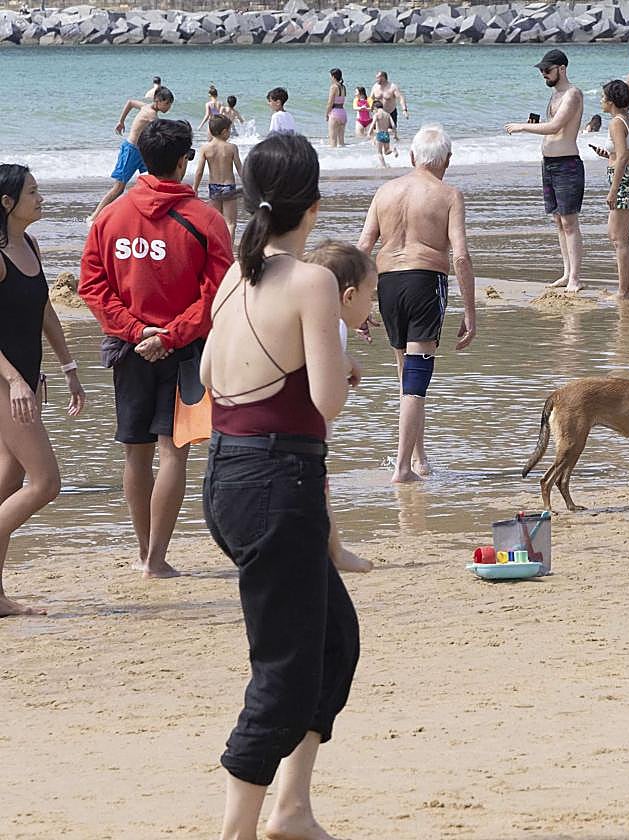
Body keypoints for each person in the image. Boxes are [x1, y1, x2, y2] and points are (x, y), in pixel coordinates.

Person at [200, 132, 364, 840]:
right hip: (277, 483)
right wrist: (340, 363)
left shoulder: (235, 275)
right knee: (285, 670)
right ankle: (237, 830)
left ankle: (291, 808)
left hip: (229, 477)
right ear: (315, 203)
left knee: (334, 641)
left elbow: (208, 376)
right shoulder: (312, 281)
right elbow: (326, 403)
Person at [78, 119, 233, 578]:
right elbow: (217, 294)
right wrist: (167, 335)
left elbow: (92, 286)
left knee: (136, 451)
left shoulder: (111, 216)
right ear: (184, 161)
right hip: (181, 350)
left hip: (129, 349)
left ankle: (145, 551)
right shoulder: (206, 219)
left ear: (143, 159)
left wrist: (134, 330)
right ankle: (155, 559)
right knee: (173, 452)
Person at [358, 124, 477, 483]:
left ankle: (418, 457)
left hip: (388, 285)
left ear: (412, 157)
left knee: (407, 378)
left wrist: (359, 303)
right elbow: (460, 256)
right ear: (448, 160)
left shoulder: (385, 191)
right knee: (415, 380)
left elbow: (363, 248)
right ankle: (402, 468)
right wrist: (470, 311)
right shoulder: (449, 195)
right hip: (425, 283)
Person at [0, 164, 86, 617]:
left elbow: (43, 309)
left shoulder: (30, 245)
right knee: (46, 482)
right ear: (7, 203)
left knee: (9, 482)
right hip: (4, 382)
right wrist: (16, 379)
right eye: (32, 192)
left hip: (25, 378)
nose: (41, 198)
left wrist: (67, 366)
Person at [301, 240, 378, 575]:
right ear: (348, 296)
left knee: (318, 491)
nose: (372, 303)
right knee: (318, 491)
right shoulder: (337, 324)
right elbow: (325, 366)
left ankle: (332, 550)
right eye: (371, 294)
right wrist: (347, 364)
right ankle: (335, 553)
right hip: (308, 429)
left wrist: (347, 361)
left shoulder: (308, 317)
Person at [504, 49, 585, 293]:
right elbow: (550, 126)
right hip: (548, 163)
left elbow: (556, 126)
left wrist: (522, 127)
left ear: (562, 68)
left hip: (567, 164)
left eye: (547, 70)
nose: (543, 74)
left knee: (569, 221)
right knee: (557, 220)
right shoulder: (555, 94)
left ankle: (575, 277)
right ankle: (566, 272)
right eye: (541, 71)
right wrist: (533, 125)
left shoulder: (573, 94)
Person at [589, 80, 629, 298]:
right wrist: (608, 155)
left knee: (617, 238)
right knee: (621, 236)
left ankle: (623, 291)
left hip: (626, 181)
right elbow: (627, 152)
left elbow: (623, 157)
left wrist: (613, 191)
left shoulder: (616, 123)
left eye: (603, 97)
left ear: (612, 101)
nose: (601, 101)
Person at [88, 87, 174, 223]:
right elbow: (162, 130)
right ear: (158, 101)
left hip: (143, 152)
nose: (169, 107)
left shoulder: (145, 107)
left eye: (170, 104)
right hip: (131, 151)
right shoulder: (151, 115)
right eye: (167, 103)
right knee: (118, 188)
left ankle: (150, 213)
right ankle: (94, 217)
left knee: (155, 180)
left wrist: (121, 121)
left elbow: (130, 102)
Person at [192, 115, 244, 243]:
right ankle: (228, 250)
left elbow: (199, 171)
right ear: (224, 131)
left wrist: (195, 188)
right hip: (229, 187)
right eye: (229, 130)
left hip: (214, 187)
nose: (230, 133)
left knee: (216, 221)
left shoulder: (205, 148)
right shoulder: (232, 147)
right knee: (230, 223)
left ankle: (215, 248)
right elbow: (239, 168)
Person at [369, 102, 398, 167]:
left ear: (375, 108)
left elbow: (373, 124)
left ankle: (384, 166)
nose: (374, 111)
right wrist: (395, 135)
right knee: (387, 151)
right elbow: (393, 125)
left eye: (373, 109)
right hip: (386, 134)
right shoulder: (388, 114)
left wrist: (369, 132)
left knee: (379, 153)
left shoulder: (376, 115)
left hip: (379, 134)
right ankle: (393, 149)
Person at [326, 68, 348, 149]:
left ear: (333, 76)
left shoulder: (334, 87)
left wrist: (327, 114)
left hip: (335, 113)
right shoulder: (343, 87)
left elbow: (330, 102)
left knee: (333, 140)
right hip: (343, 112)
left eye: (331, 76)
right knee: (341, 141)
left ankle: (334, 156)